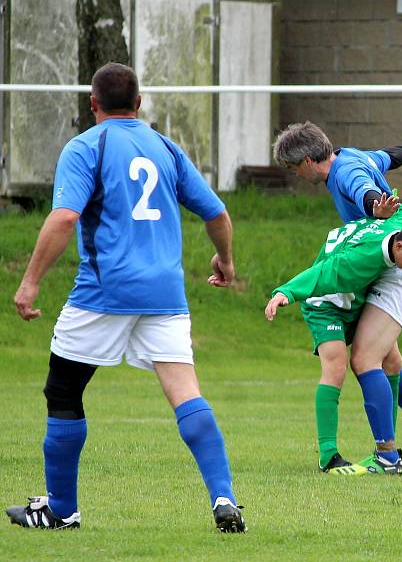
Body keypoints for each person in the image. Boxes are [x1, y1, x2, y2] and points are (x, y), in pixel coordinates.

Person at [6, 63, 245, 532]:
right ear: (139, 105)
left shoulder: (85, 147)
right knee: (186, 394)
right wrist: (226, 262)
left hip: (104, 291)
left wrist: (30, 281)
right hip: (165, 293)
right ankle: (224, 498)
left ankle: (60, 509)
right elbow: (216, 213)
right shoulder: (165, 147)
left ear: (92, 104)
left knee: (63, 392)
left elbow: (64, 218)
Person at [273, 123, 402, 471]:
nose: (295, 175)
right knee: (389, 359)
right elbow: (389, 159)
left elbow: (364, 192)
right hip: (387, 257)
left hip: (392, 266)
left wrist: (374, 209)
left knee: (366, 360)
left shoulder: (345, 172)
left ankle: (386, 454)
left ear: (308, 160)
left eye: (294, 169)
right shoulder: (354, 155)